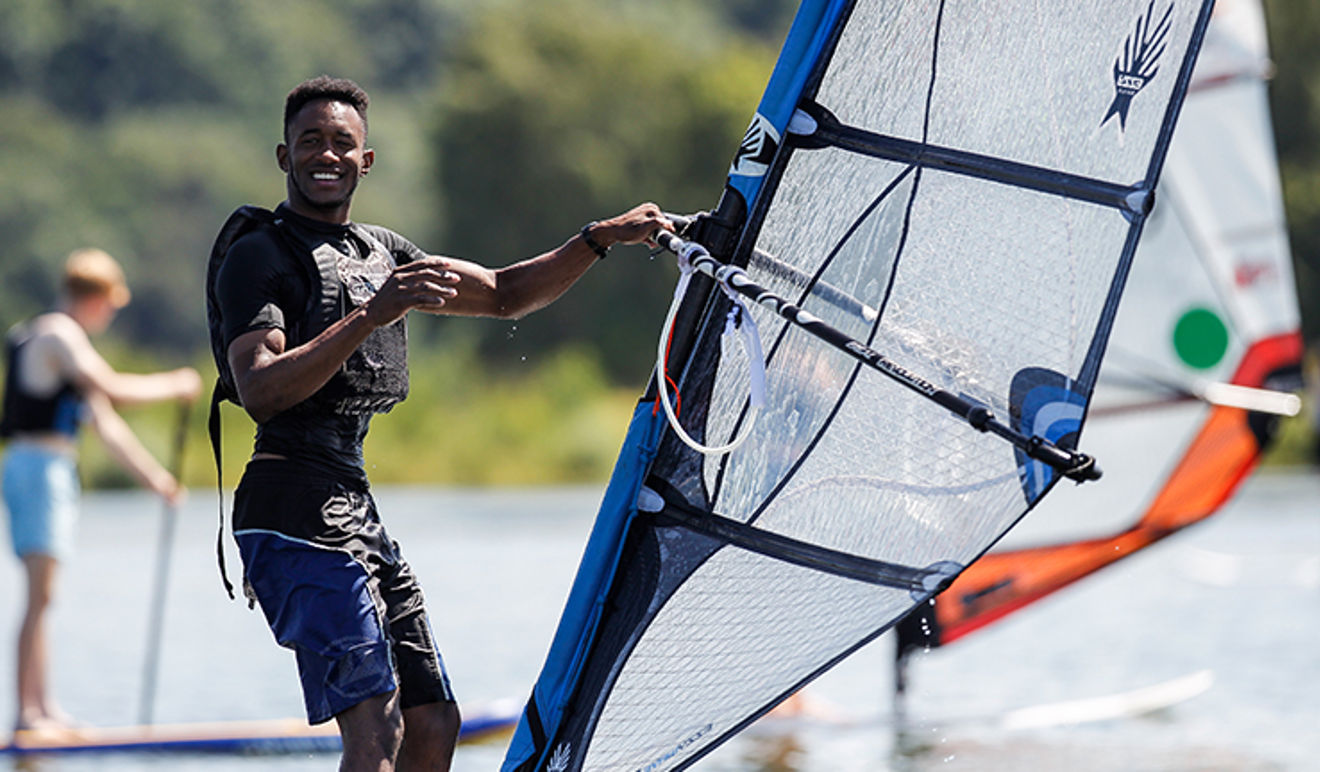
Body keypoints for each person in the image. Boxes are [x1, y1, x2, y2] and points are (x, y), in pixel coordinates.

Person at [208, 74, 671, 772]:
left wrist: (598, 239)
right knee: (377, 728)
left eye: (342, 143)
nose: (327, 155)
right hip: (289, 512)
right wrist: (372, 315)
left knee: (432, 722)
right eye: (310, 142)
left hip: (351, 505)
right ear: (284, 156)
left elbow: (506, 294)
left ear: (366, 160)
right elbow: (262, 389)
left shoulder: (383, 253)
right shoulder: (260, 256)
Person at [0, 248, 202, 734]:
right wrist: (175, 384)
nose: (109, 315)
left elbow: (106, 425)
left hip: (51, 469)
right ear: (94, 297)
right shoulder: (57, 333)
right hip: (36, 469)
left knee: (45, 596)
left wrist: (157, 481)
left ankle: (44, 708)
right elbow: (113, 389)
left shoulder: (66, 346)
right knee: (39, 596)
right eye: (110, 305)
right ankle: (28, 714)